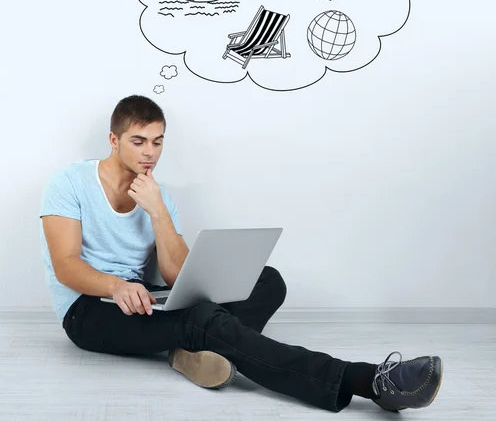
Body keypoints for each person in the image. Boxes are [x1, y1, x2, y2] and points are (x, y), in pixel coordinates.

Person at [39, 94, 443, 413]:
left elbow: (177, 276)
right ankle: (367, 381)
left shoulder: (158, 196)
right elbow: (66, 266)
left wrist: (158, 210)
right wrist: (114, 285)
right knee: (202, 319)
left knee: (267, 281)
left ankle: (191, 351)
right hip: (89, 310)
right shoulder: (71, 182)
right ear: (114, 140)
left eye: (158, 141)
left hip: (145, 296)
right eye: (138, 141)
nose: (150, 152)